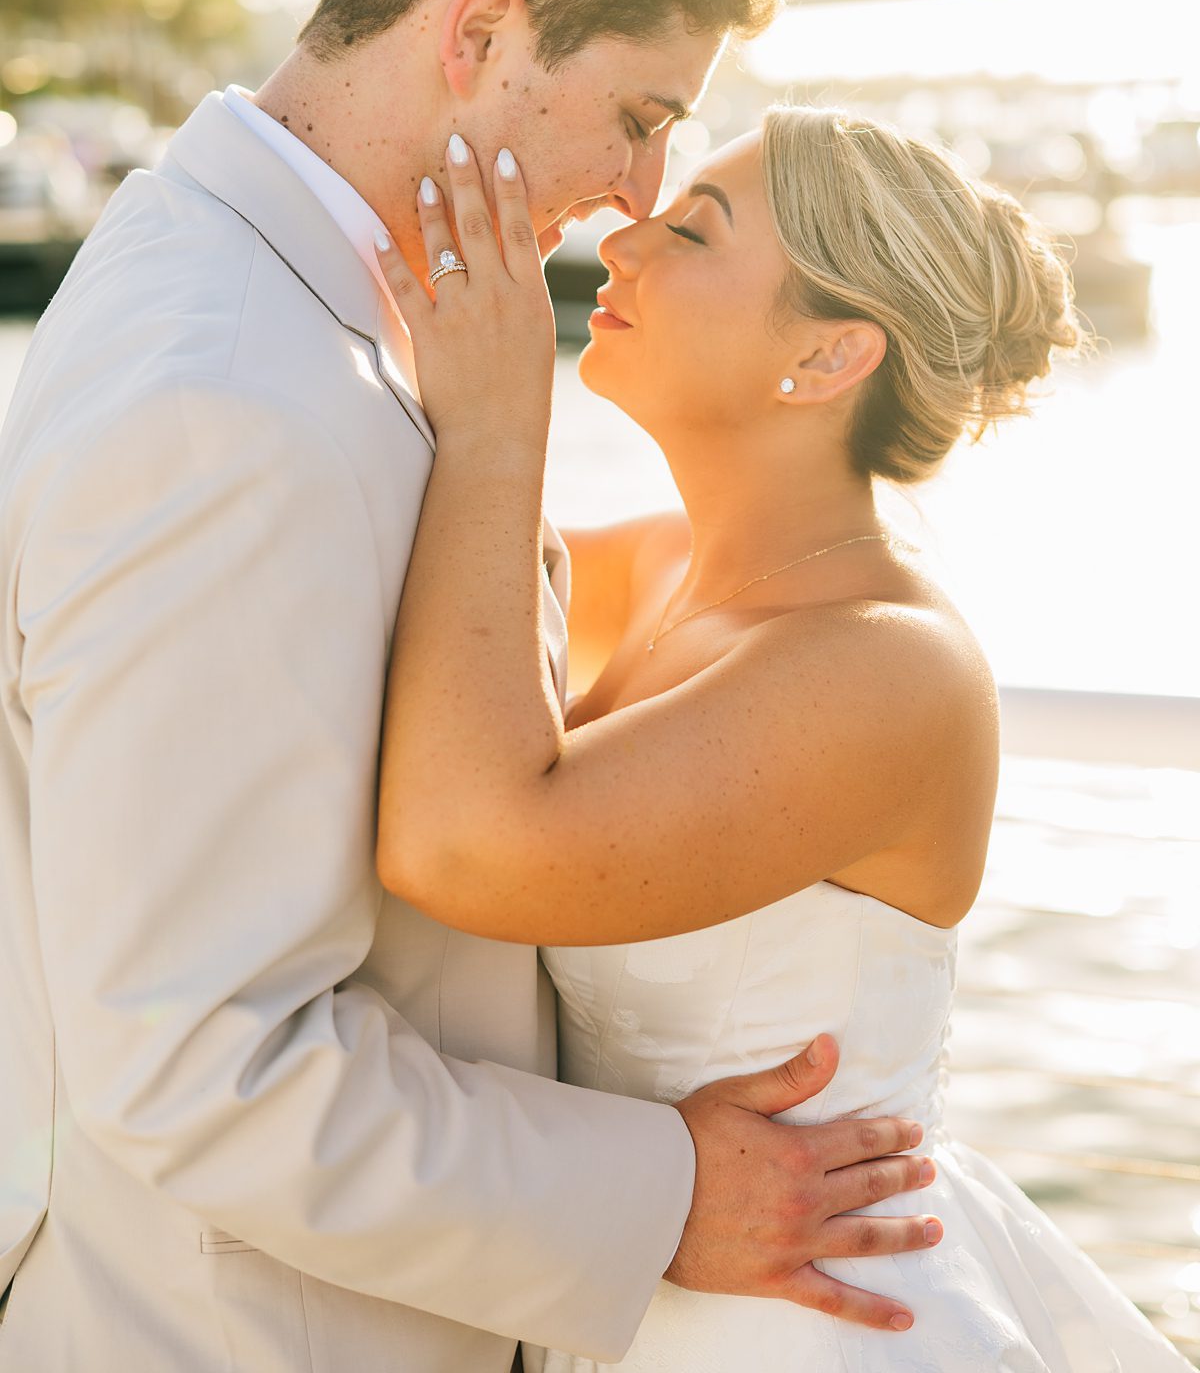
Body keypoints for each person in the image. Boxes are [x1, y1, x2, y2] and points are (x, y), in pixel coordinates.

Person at [0, 0, 938, 1373]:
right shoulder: (230, 403)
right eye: (641, 117)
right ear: (481, 32)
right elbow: (198, 1066)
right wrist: (661, 1195)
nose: (636, 195)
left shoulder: (222, 282)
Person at [371, 106, 1189, 1370]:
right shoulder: (663, 568)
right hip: (634, 1284)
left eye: (694, 228)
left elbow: (463, 846)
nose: (628, 242)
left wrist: (496, 421)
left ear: (827, 356)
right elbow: (407, 606)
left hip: (804, 1326)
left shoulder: (885, 665)